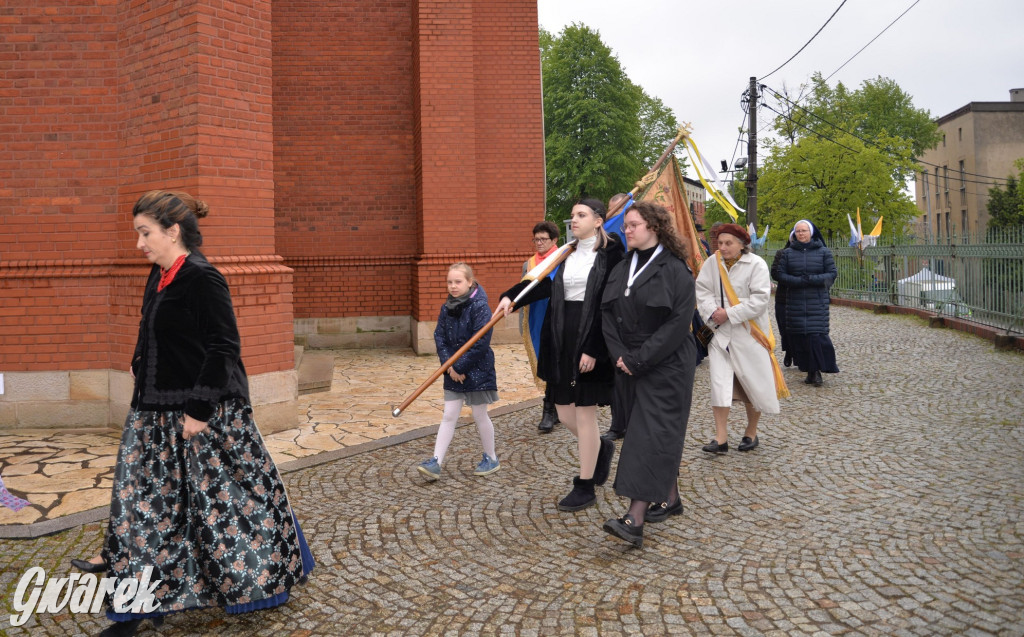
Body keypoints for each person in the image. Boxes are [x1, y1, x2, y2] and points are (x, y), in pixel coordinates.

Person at [91, 191, 313, 637]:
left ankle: (259, 581)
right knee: (145, 506)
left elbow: (224, 347)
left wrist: (198, 409)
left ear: (173, 231)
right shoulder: (160, 276)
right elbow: (150, 334)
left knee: (227, 504)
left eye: (145, 233)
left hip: (203, 414)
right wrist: (140, 372)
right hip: (153, 412)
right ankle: (135, 600)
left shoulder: (201, 277)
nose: (140, 244)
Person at [496, 198, 624, 511]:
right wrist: (510, 298)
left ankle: (585, 485)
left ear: (598, 220)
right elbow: (540, 284)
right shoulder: (565, 252)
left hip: (591, 335)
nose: (574, 220)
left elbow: (610, 302)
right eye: (572, 215)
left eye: (581, 215)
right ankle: (600, 449)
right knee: (565, 412)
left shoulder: (612, 253)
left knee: (584, 411)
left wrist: (594, 349)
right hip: (561, 335)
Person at [599, 201, 696, 548]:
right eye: (625, 225)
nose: (626, 230)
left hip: (666, 364)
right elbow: (606, 314)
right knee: (654, 434)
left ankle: (634, 519)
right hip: (629, 362)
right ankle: (669, 498)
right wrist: (620, 356)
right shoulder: (624, 266)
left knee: (647, 436)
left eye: (633, 225)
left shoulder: (675, 270)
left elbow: (677, 324)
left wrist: (639, 359)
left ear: (654, 228)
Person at [695, 223, 781, 454]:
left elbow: (760, 300)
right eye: (720, 243)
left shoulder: (756, 264)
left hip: (750, 333)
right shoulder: (712, 263)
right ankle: (720, 438)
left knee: (752, 383)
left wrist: (729, 314)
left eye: (728, 243)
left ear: (742, 245)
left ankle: (750, 432)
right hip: (720, 334)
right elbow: (702, 291)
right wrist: (713, 314)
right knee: (719, 384)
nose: (723, 247)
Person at [417, 263, 501, 480]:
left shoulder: (480, 306)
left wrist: (460, 366)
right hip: (452, 370)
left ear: (469, 282)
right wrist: (450, 366)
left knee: (480, 415)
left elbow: (481, 342)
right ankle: (435, 462)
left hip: (477, 370)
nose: (453, 286)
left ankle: (491, 457)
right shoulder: (447, 307)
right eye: (450, 282)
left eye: (458, 282)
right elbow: (440, 337)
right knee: (449, 415)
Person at [771, 220, 839, 386]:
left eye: (804, 231)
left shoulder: (823, 252)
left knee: (816, 335)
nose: (801, 234)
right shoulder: (787, 253)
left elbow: (831, 273)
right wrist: (797, 281)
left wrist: (811, 280)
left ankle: (816, 371)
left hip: (817, 300)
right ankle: (808, 369)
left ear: (811, 233)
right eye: (798, 231)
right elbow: (780, 274)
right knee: (800, 336)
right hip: (795, 300)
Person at [521, 222, 561, 433]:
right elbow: (523, 292)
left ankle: (554, 408)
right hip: (537, 318)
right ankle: (550, 409)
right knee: (545, 361)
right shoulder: (529, 263)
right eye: (536, 239)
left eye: (543, 239)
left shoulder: (562, 259)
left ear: (554, 240)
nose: (539, 243)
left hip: (559, 317)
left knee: (558, 362)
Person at [601, 192, 632, 443]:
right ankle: (618, 423)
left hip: (634, 320)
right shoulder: (608, 244)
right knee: (615, 376)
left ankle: (635, 422)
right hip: (611, 317)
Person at [770, 239, 793, 367]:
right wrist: (791, 279)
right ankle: (789, 351)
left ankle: (800, 354)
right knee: (784, 327)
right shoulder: (781, 253)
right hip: (783, 296)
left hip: (801, 297)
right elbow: (775, 273)